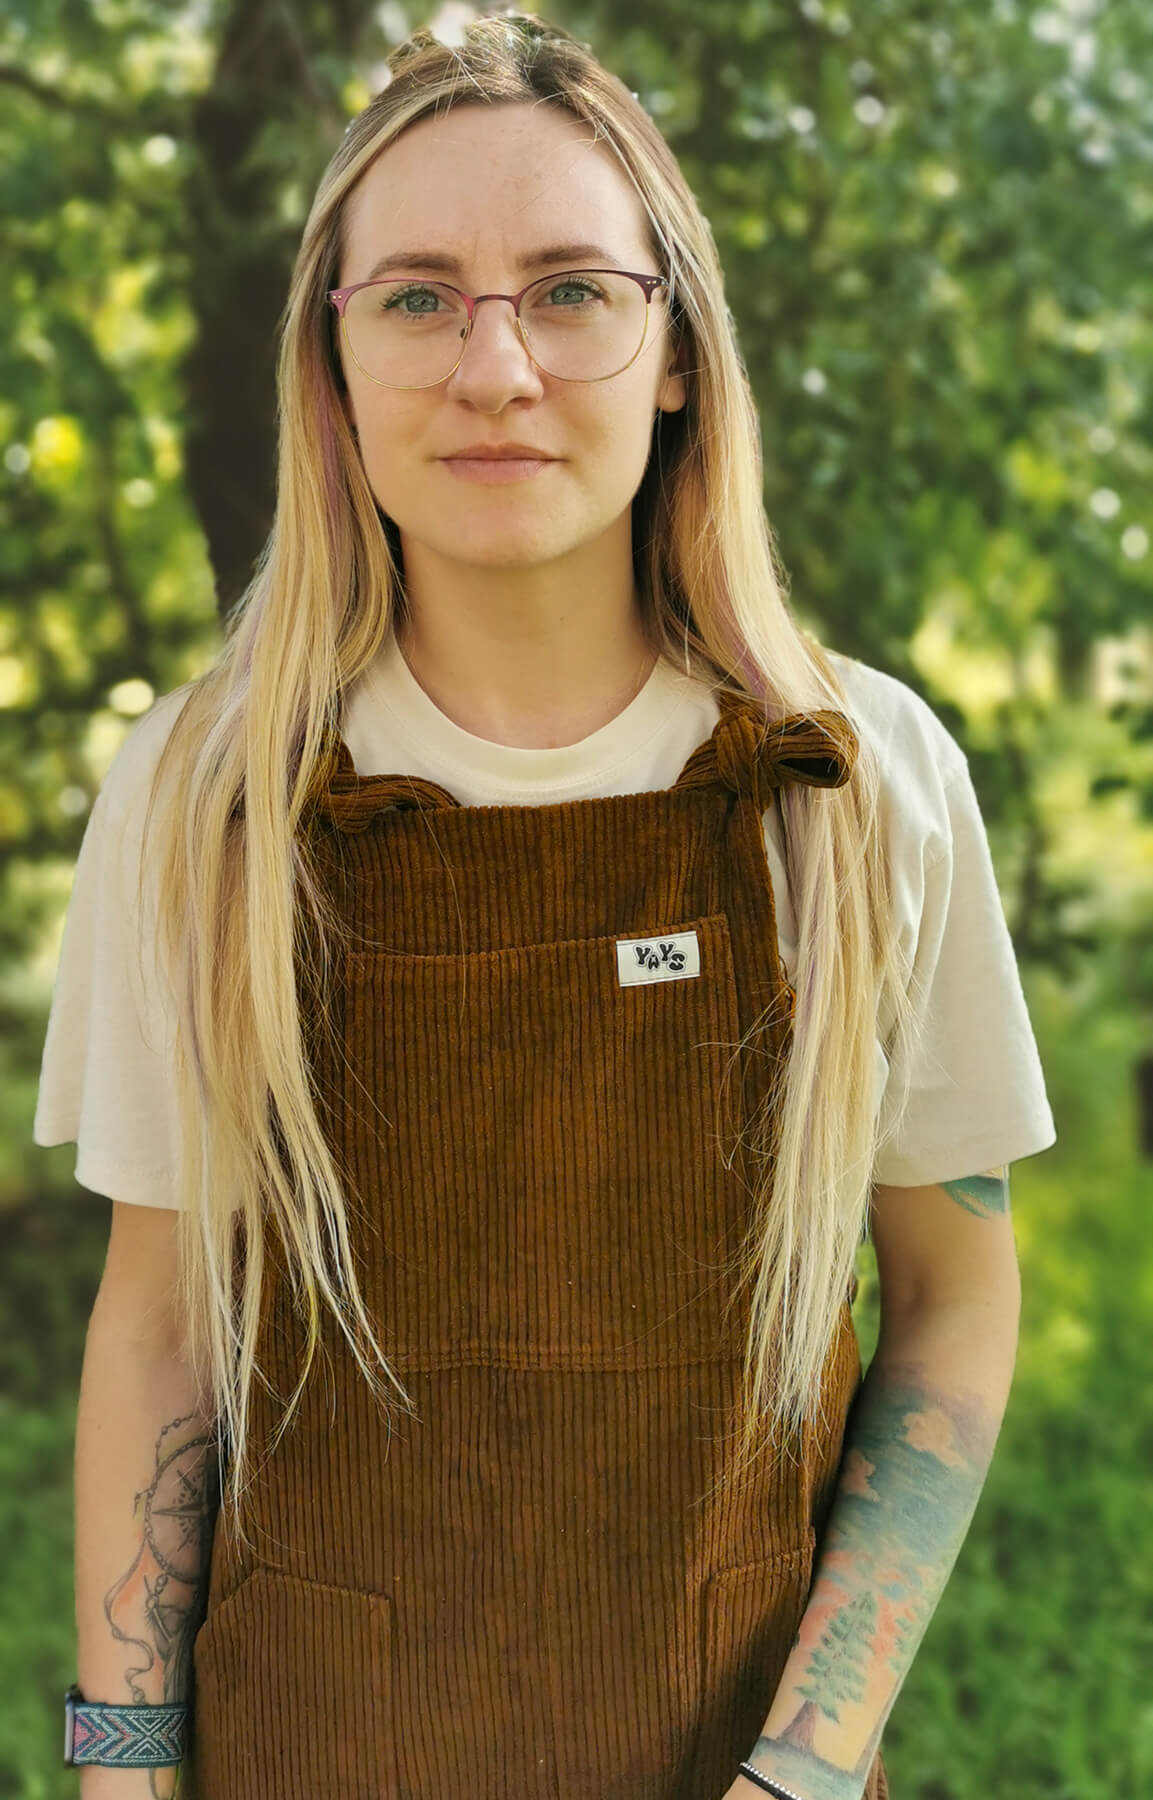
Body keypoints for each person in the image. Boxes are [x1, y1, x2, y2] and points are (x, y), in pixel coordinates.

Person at [36, 15, 1056, 1800]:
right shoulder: (208, 796)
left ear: (673, 354)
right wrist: (119, 1778)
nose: (492, 366)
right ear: (331, 367)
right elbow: (158, 1326)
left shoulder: (852, 777)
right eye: (416, 298)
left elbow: (953, 1296)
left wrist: (808, 1766)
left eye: (571, 290)